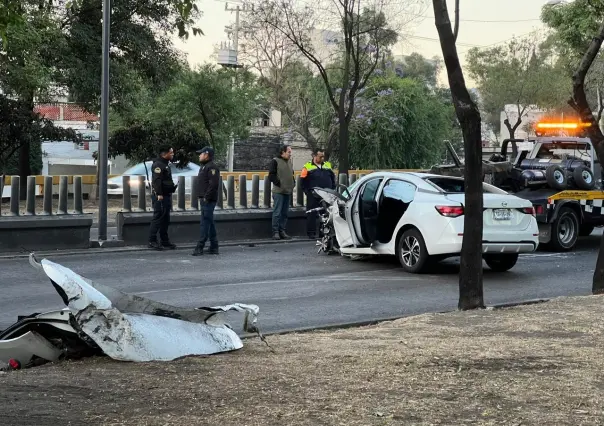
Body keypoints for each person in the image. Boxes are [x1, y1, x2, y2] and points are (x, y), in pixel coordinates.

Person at [300, 148, 336, 239]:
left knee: (325, 213)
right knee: (312, 214)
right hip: (313, 194)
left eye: (323, 156)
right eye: (320, 157)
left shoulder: (327, 165)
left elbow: (332, 178)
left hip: (326, 194)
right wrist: (307, 192)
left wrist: (332, 189)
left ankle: (323, 233)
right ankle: (311, 233)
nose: (322, 159)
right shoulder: (307, 166)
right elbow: (302, 182)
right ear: (314, 156)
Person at [192, 146, 220, 256]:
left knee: (205, 223)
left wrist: (206, 197)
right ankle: (214, 246)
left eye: (201, 153)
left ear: (206, 154)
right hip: (204, 199)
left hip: (208, 199)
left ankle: (200, 246)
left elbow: (213, 185)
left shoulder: (212, 167)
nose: (199, 155)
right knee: (209, 222)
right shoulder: (204, 167)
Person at [148, 146, 177, 250]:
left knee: (165, 219)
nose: (173, 154)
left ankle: (165, 241)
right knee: (158, 218)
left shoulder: (165, 164)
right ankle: (152, 240)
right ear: (164, 154)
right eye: (171, 152)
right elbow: (156, 181)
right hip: (160, 196)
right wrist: (159, 194)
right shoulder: (158, 165)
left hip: (166, 195)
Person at [268, 144, 295, 240]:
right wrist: (279, 183)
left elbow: (291, 174)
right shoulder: (275, 161)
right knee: (277, 212)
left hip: (287, 191)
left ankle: (282, 231)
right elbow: (271, 175)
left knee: (285, 213)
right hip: (278, 191)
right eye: (289, 152)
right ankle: (275, 232)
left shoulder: (289, 162)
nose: (290, 154)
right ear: (283, 152)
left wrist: (293, 183)